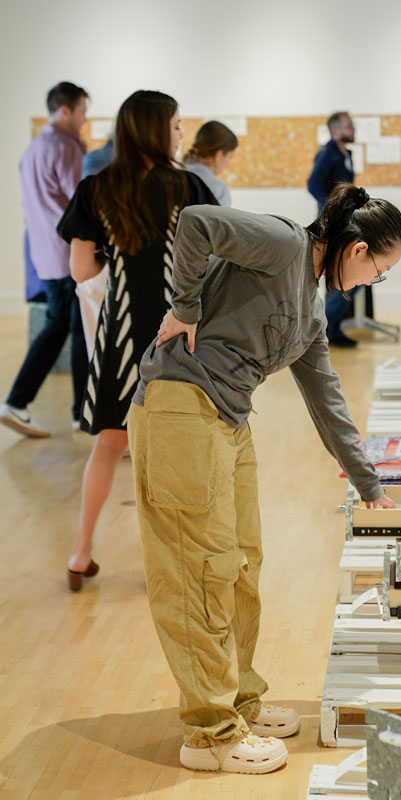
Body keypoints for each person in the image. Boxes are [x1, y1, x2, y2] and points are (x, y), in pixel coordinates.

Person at [127, 183, 401, 774]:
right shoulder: (283, 244)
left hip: (228, 418)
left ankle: (241, 697)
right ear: (356, 250)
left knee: (241, 563)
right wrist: (185, 306)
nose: (369, 285)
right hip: (181, 405)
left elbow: (325, 396)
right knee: (198, 570)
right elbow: (197, 223)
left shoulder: (311, 306)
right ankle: (209, 735)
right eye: (378, 273)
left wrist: (371, 486)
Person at [56, 90, 218, 592]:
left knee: (109, 444)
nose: (180, 135)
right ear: (155, 130)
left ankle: (81, 554)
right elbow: (217, 261)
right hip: (179, 333)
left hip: (121, 336)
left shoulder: (96, 189)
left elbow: (81, 269)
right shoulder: (189, 187)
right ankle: (175, 563)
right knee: (177, 448)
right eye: (175, 126)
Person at [0, 82, 90, 437]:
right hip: (68, 253)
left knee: (61, 326)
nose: (84, 120)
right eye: (83, 112)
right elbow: (79, 201)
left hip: (44, 253)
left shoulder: (34, 147)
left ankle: (26, 404)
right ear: (65, 110)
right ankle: (74, 411)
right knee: (75, 327)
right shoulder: (67, 147)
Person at [308, 112, 360, 347]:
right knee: (344, 275)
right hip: (334, 224)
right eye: (349, 126)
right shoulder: (327, 153)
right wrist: (333, 207)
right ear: (335, 130)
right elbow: (314, 185)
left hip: (347, 222)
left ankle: (330, 329)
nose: (354, 129)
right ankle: (326, 330)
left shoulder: (345, 154)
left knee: (345, 276)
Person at [76, 139, 115, 358]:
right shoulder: (180, 184)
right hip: (103, 274)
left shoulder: (91, 170)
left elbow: (80, 270)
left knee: (99, 357)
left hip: (98, 273)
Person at [183, 120, 238, 206]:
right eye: (229, 157)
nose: (228, 163)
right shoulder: (219, 189)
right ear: (219, 155)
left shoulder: (175, 174)